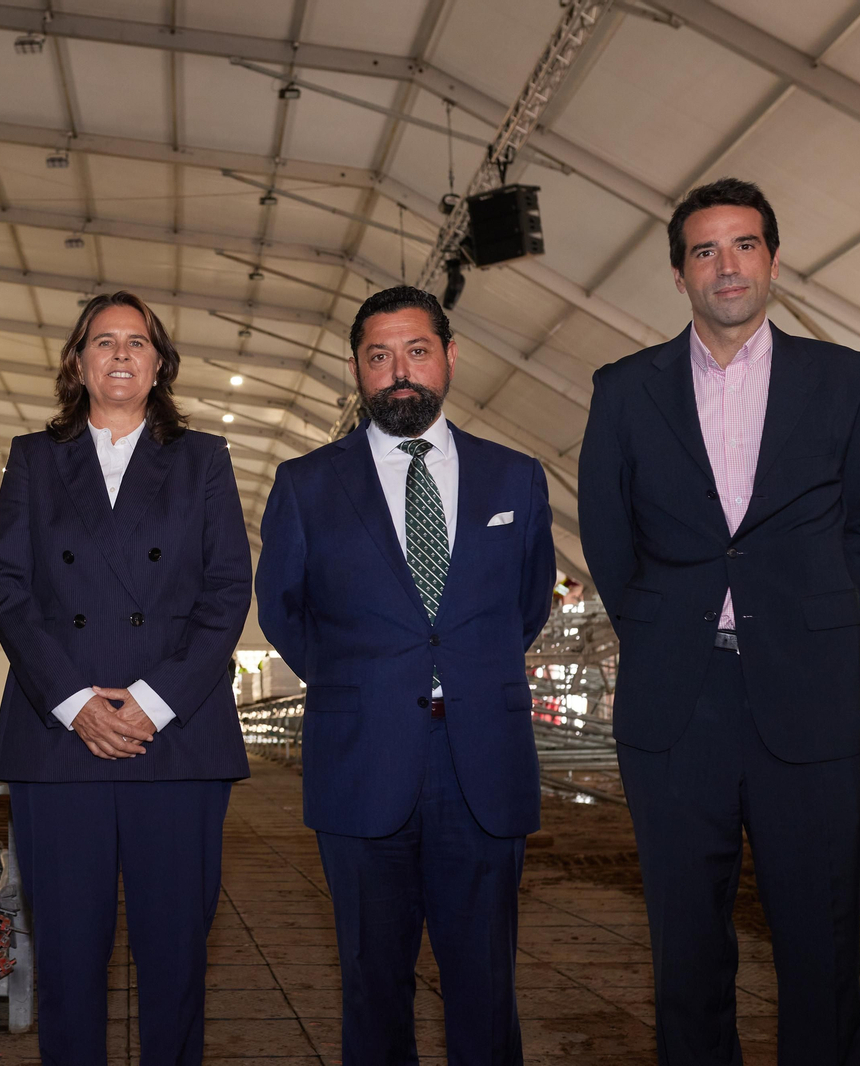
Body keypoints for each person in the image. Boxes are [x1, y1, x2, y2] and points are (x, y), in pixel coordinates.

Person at [579, 178, 860, 1065]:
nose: (727, 266)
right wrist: (660, 624)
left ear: (773, 258)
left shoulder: (844, 379)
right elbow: (608, 535)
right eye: (705, 250)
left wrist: (807, 607)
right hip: (677, 704)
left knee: (822, 939)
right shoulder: (624, 389)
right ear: (679, 273)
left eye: (744, 245)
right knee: (686, 948)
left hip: (807, 694)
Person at [256, 285, 555, 1065]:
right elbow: (284, 609)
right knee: (372, 982)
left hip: (481, 765)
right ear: (357, 368)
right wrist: (362, 685)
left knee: (486, 984)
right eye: (379, 356)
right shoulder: (307, 484)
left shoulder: (516, 479)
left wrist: (459, 672)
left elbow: (526, 606)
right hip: (361, 761)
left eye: (416, 352)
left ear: (450, 358)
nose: (400, 372)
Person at [0, 291, 251, 1065]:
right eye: (104, 341)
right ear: (78, 362)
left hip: (177, 741)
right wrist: (75, 703)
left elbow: (228, 590)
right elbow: (7, 583)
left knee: (175, 962)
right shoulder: (34, 458)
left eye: (138, 342)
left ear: (160, 363)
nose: (122, 354)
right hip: (59, 743)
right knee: (67, 964)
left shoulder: (203, 459)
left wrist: (154, 702)